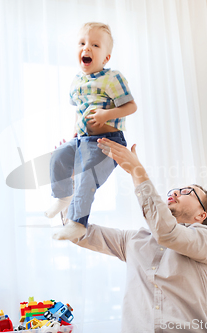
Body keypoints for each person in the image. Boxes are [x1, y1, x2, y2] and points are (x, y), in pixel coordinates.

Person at [66, 138, 207, 333]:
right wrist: (71, 182)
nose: (175, 193)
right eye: (173, 191)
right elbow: (77, 233)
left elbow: (167, 232)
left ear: (201, 215)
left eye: (186, 192)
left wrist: (136, 170)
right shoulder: (134, 240)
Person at [45, 22, 137, 241]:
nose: (87, 48)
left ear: (106, 58)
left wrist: (106, 115)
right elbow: (79, 111)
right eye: (82, 43)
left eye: (95, 45)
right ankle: (62, 195)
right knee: (57, 157)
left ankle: (77, 223)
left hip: (107, 140)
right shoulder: (76, 81)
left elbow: (131, 106)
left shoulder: (113, 78)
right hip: (82, 139)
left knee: (87, 176)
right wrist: (74, 135)